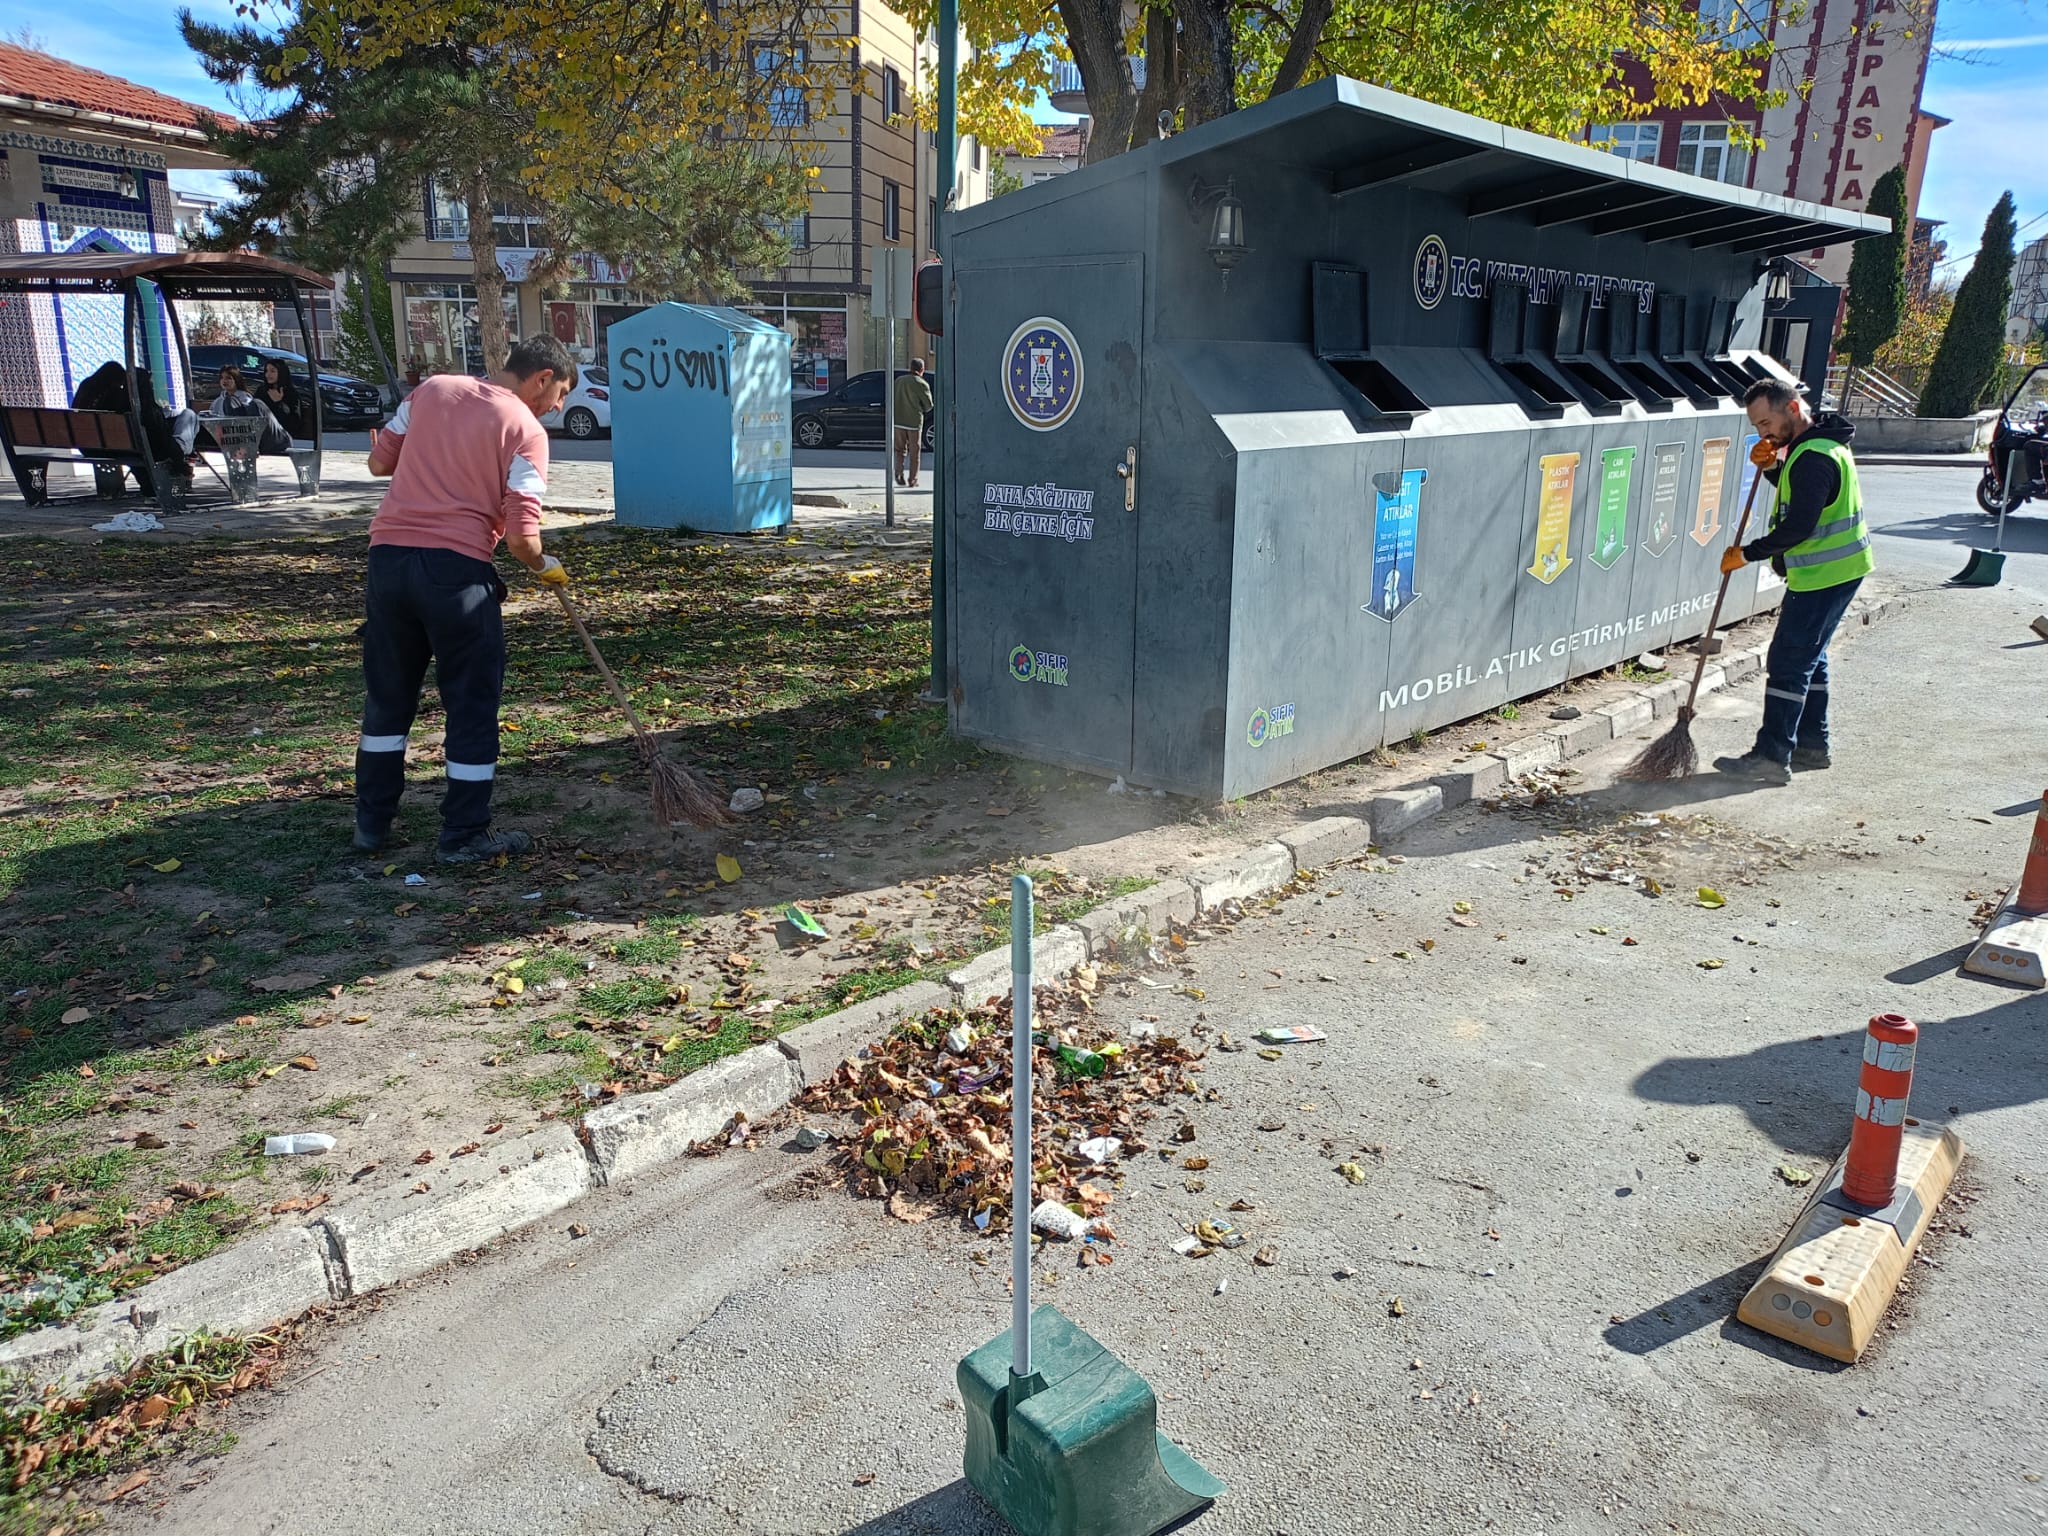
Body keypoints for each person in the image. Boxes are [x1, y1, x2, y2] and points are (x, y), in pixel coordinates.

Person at [353, 334, 576, 863]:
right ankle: (464, 834)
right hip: (455, 575)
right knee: (471, 706)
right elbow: (523, 538)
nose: (559, 405)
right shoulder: (526, 430)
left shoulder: (430, 390)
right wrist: (546, 568)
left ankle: (372, 824)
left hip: (388, 564)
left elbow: (378, 464)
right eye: (561, 392)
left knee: (388, 699)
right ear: (541, 378)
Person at [1713, 377, 1872, 787]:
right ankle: (1811, 745)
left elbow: (1800, 523)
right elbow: (1796, 493)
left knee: (1788, 663)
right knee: (1810, 658)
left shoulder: (1814, 457)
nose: (1764, 432)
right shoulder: (1816, 446)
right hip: (1836, 571)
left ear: (1793, 409)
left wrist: (1748, 553)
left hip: (1824, 575)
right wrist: (1771, 468)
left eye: (1767, 422)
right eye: (1757, 427)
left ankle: (1771, 757)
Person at [207, 367, 292, 457]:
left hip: (273, 444)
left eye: (228, 378)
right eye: (222, 378)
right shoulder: (218, 401)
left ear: (236, 380)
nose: (224, 381)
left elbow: (249, 424)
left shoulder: (248, 401)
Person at [892, 358, 932, 489]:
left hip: (898, 420)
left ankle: (898, 473)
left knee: (899, 450)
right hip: (914, 422)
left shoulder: (898, 381)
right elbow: (928, 405)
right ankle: (913, 479)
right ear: (922, 370)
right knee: (915, 452)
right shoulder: (921, 383)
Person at [258, 358, 305, 439]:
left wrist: (279, 403)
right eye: (266, 371)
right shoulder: (262, 390)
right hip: (263, 432)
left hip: (283, 435)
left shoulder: (291, 393)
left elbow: (294, 422)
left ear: (281, 373)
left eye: (272, 371)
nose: (268, 374)